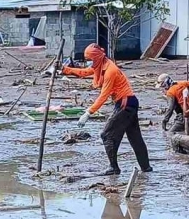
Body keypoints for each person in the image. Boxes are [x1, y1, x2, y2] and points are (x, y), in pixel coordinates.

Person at [61, 44, 151, 175]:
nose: (89, 62)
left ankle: (114, 168)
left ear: (97, 57)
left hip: (125, 103)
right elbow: (85, 72)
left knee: (107, 135)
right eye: (87, 59)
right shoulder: (100, 65)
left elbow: (104, 95)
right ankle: (146, 168)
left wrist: (88, 112)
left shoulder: (110, 71)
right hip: (128, 102)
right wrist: (65, 70)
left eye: (90, 59)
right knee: (135, 137)